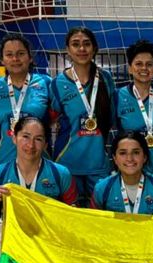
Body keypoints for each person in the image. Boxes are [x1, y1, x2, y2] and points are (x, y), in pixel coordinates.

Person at [50, 26, 115, 207]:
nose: (82, 49)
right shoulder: (57, 83)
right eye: (76, 44)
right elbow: (51, 119)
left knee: (99, 218)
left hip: (98, 162)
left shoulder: (106, 79)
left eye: (87, 44)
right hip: (67, 162)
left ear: (94, 48)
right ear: (67, 50)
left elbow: (112, 118)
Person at [0, 118, 78, 225]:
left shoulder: (61, 174)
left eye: (38, 139)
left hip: (50, 240)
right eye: (25, 137)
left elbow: (73, 218)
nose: (31, 145)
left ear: (45, 144)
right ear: (14, 138)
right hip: (14, 240)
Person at [115, 39, 153, 188]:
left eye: (149, 64)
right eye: (138, 64)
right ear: (129, 68)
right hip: (131, 173)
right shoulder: (118, 96)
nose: (144, 68)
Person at [0, 33, 52, 167]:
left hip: (39, 161)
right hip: (3, 161)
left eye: (20, 53)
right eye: (9, 54)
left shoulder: (46, 83)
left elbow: (57, 115)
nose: (15, 59)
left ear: (30, 57)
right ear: (2, 60)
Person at [91, 131, 153, 215]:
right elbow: (93, 224)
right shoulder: (102, 189)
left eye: (136, 152)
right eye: (123, 153)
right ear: (115, 158)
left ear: (144, 157)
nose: (129, 158)